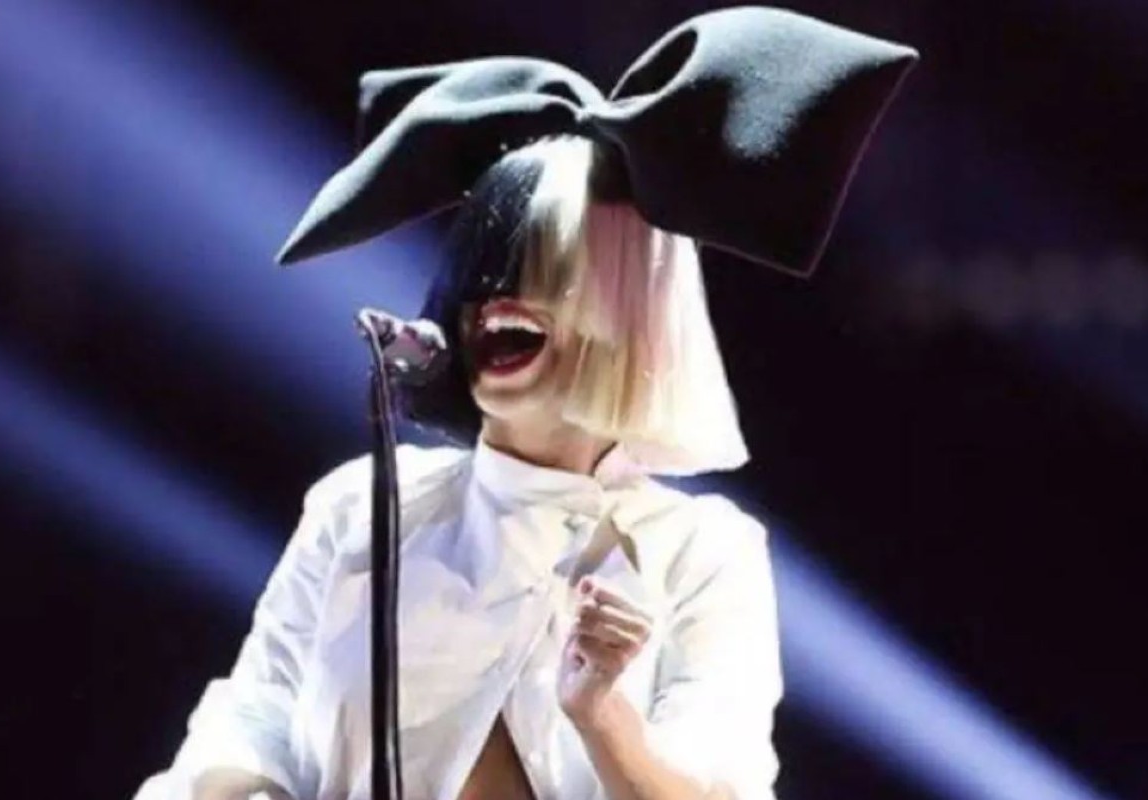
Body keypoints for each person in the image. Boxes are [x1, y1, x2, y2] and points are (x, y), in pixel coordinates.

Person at [133, 8, 917, 799]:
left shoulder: (703, 553)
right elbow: (253, 720)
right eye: (489, 265)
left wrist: (602, 715)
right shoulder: (364, 510)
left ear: (634, 316)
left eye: (552, 272)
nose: (499, 298)